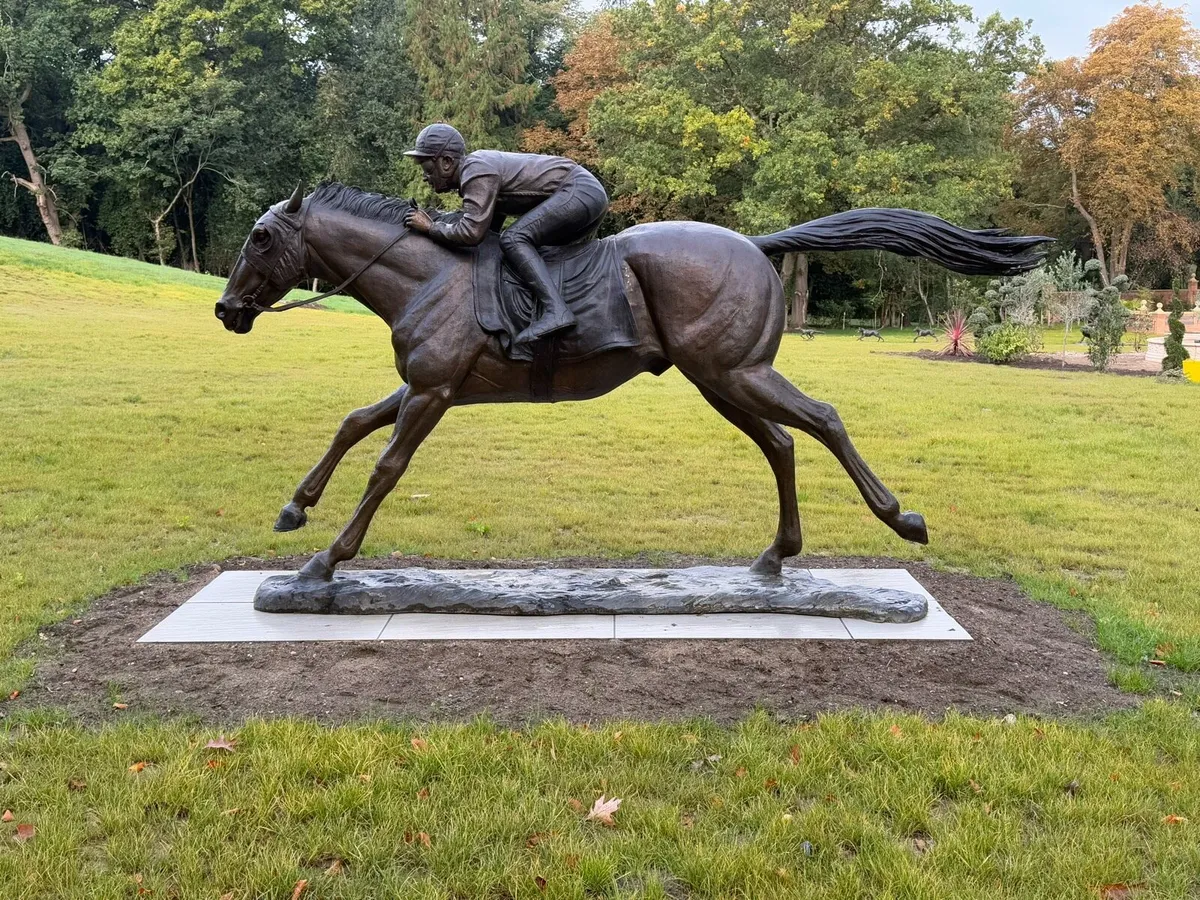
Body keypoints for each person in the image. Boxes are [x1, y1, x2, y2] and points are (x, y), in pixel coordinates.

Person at [401, 123, 609, 344]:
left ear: (446, 162)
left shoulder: (476, 171)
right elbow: (488, 233)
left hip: (579, 191)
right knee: (527, 250)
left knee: (514, 238)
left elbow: (471, 233)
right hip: (586, 192)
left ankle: (556, 310)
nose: (425, 177)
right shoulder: (479, 170)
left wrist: (430, 227)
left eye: (427, 169)